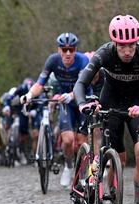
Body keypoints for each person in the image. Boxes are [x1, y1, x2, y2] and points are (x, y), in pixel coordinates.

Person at [74, 15, 139, 204]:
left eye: (132, 45)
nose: (127, 51)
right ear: (115, 43)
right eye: (123, 46)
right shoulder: (104, 53)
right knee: (118, 160)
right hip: (111, 106)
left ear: (138, 43)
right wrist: (82, 104)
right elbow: (81, 83)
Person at [20, 32, 89, 187]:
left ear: (75, 49)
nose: (68, 53)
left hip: (82, 100)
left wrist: (72, 95)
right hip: (65, 103)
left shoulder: (83, 60)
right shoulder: (52, 60)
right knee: (68, 140)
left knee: (81, 142)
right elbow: (40, 83)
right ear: (59, 50)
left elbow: (82, 84)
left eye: (71, 49)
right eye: (64, 50)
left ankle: (84, 174)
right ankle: (69, 167)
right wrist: (29, 95)